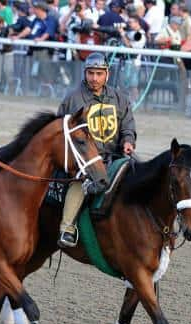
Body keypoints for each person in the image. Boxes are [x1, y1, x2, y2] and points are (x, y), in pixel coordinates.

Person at [56, 52, 136, 247]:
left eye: (99, 73)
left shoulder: (120, 99)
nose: (94, 78)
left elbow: (128, 126)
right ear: (85, 73)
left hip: (115, 157)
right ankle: (67, 228)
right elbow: (61, 132)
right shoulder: (72, 100)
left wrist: (128, 141)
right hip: (84, 161)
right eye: (91, 73)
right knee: (78, 184)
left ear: (107, 74)